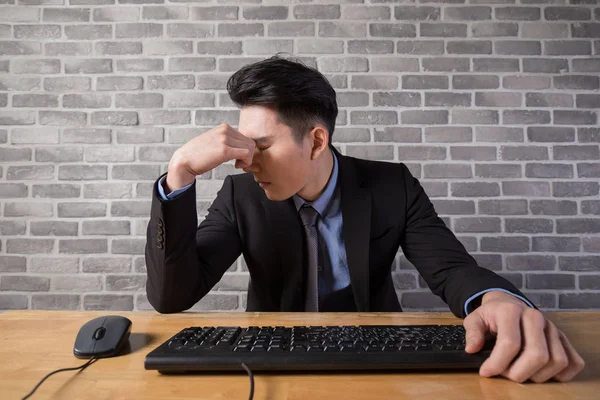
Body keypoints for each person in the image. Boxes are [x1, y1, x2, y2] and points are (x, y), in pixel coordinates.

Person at [144, 55, 584, 383]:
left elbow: (452, 269)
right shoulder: (240, 194)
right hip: (273, 363)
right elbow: (172, 295)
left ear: (316, 141)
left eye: (259, 146)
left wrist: (499, 301)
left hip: (374, 362)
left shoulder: (391, 185)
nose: (244, 163)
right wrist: (179, 172)